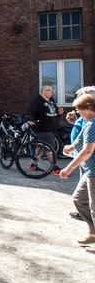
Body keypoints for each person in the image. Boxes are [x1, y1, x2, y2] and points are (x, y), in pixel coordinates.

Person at [58, 94, 95, 253]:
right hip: (89, 170)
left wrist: (70, 168)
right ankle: (93, 232)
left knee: (94, 206)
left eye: (79, 109)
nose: (77, 112)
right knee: (79, 199)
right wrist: (71, 147)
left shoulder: (92, 124)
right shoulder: (88, 123)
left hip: (93, 170)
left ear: (88, 108)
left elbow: (87, 150)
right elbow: (80, 140)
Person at [24, 85, 63, 175]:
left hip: (52, 128)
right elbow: (29, 112)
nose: (52, 92)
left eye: (52, 90)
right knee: (50, 148)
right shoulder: (36, 101)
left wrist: (59, 113)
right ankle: (55, 168)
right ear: (43, 91)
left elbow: (54, 112)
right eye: (50, 90)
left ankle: (33, 165)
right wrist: (30, 120)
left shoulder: (51, 101)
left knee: (41, 147)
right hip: (42, 128)